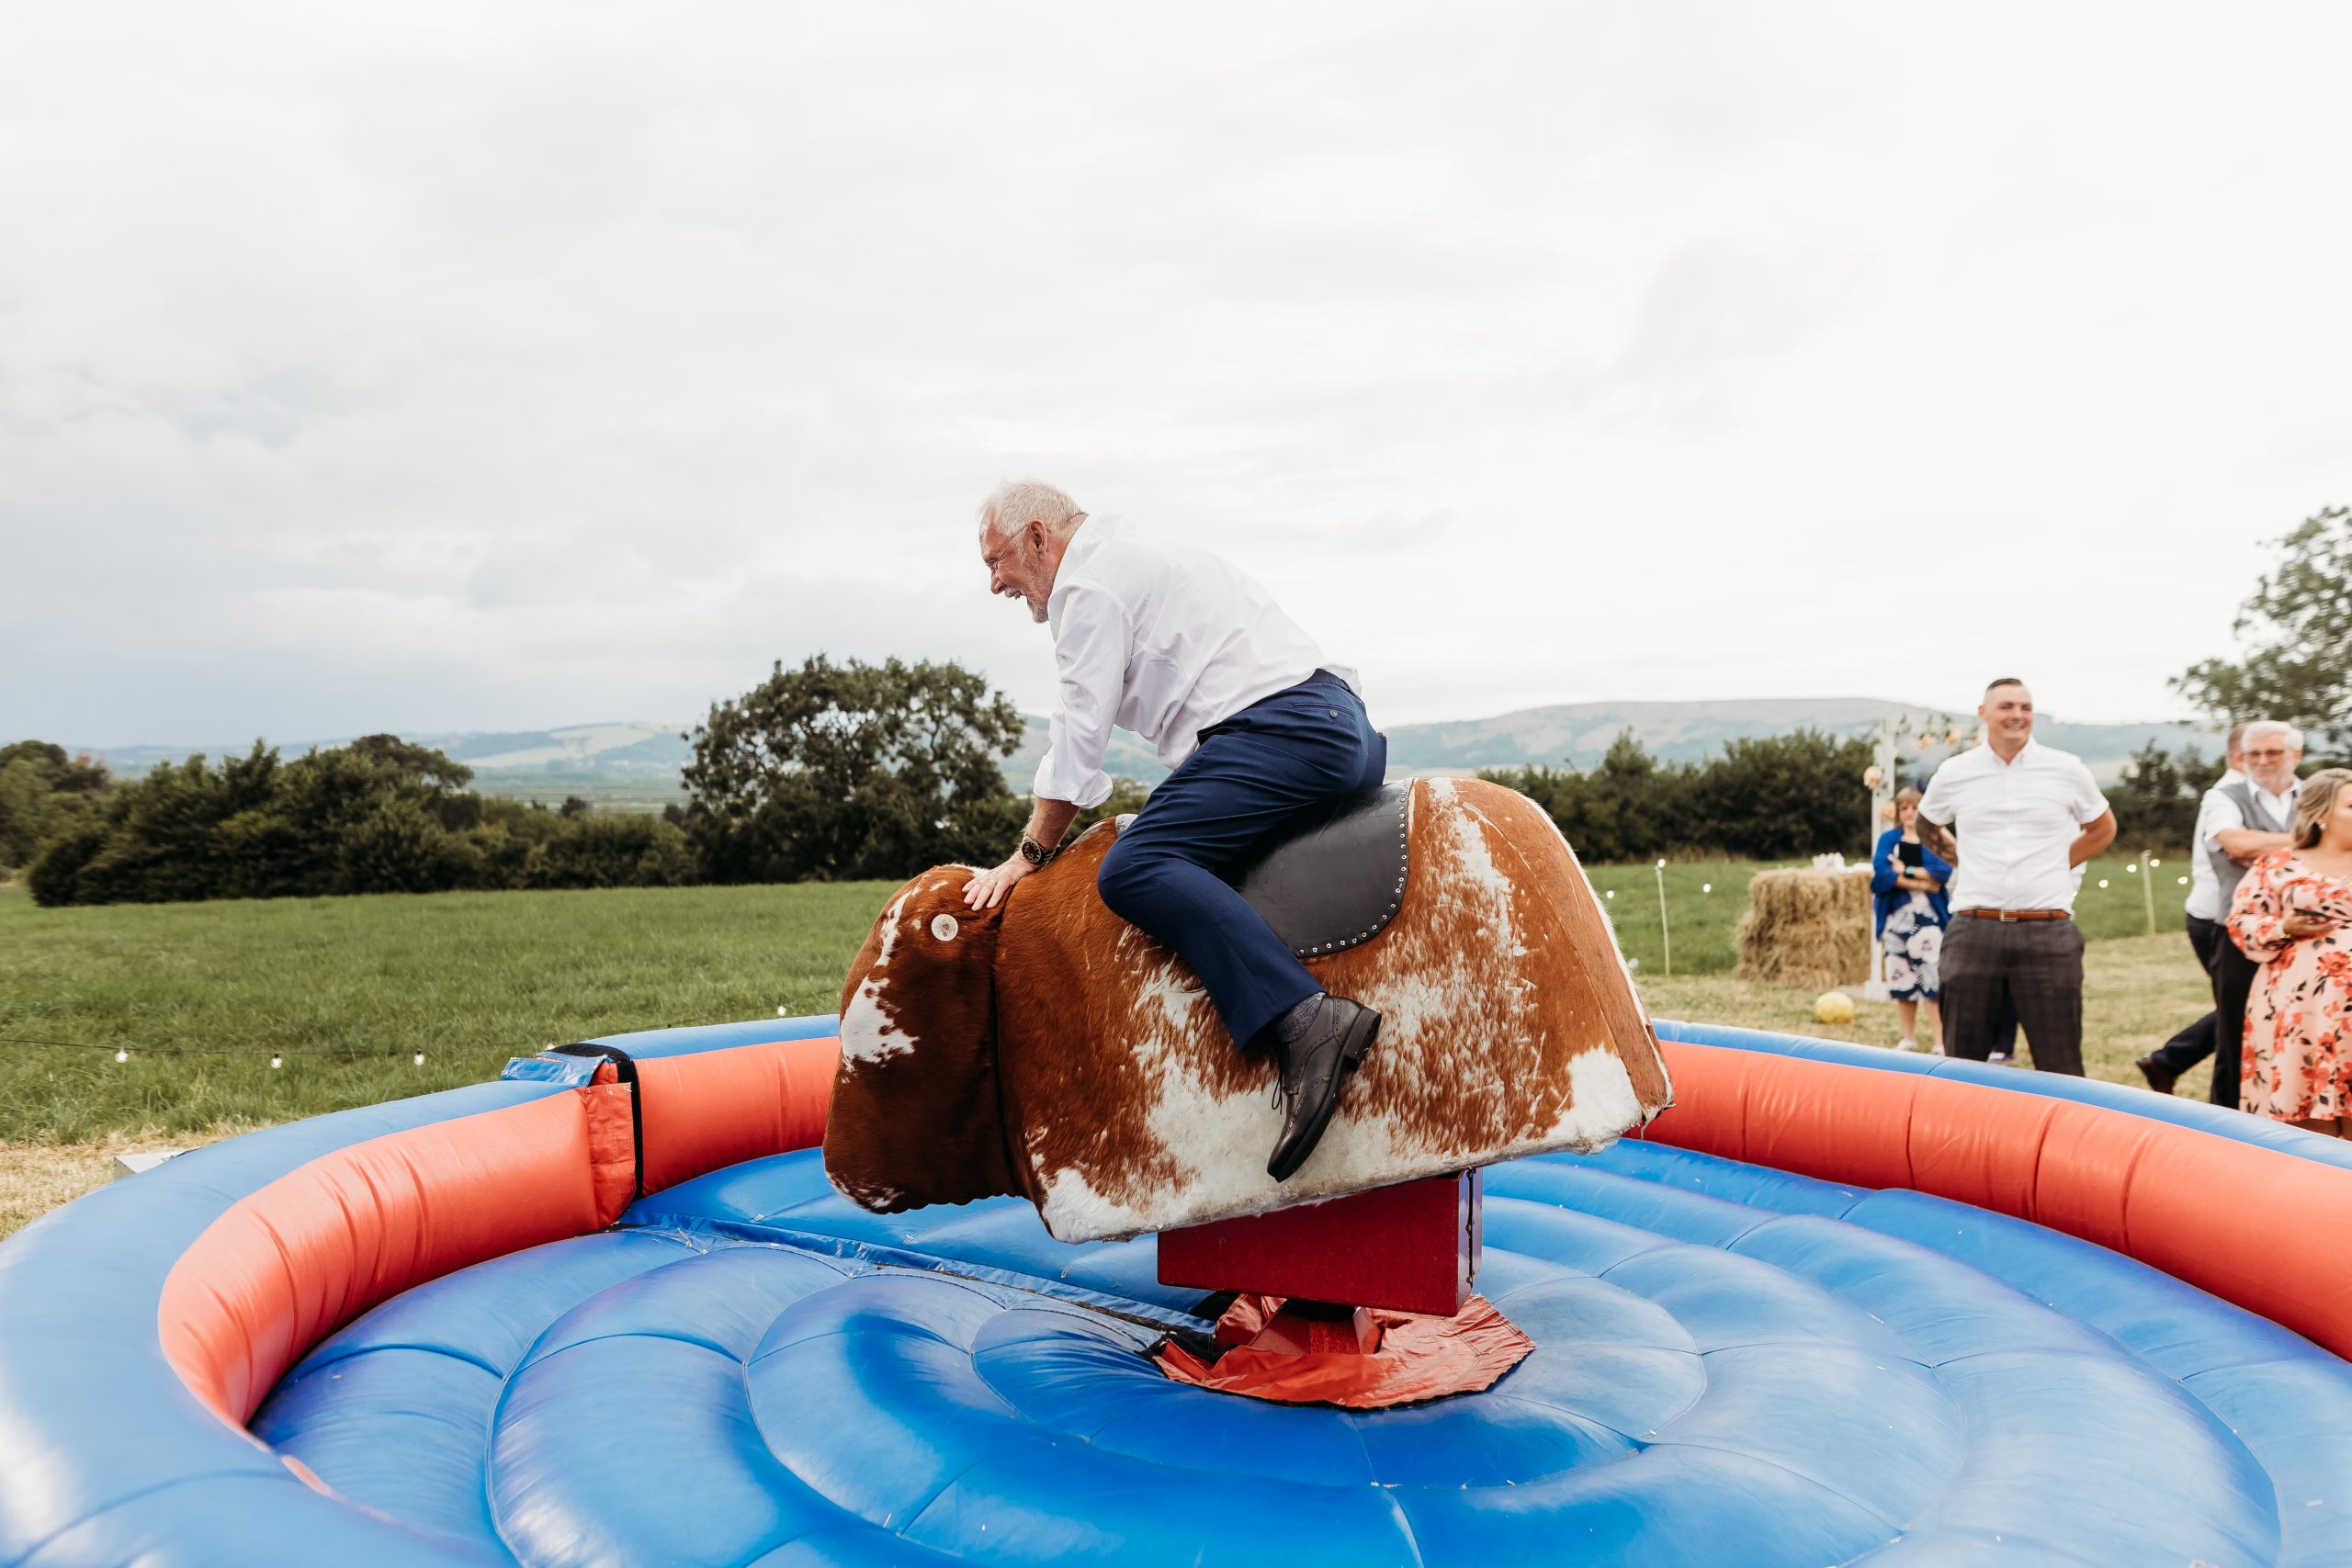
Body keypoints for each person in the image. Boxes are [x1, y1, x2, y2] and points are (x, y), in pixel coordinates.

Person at [961, 481, 1385, 1181]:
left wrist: (1029, 855)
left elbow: (1077, 739)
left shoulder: (1086, 587)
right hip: (1341, 726)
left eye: (997, 560)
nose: (996, 582)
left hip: (1284, 728)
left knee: (1135, 865)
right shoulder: (1136, 552)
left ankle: (1307, 1020)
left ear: (1038, 537)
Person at [1914, 678, 2118, 1073]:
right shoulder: (1956, 771)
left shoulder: (2066, 769)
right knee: (1962, 1064)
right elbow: (1927, 825)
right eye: (2007, 706)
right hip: (1974, 930)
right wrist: (1961, 858)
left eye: (2025, 708)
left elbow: (2103, 828)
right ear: (1983, 713)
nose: (2018, 716)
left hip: (2048, 932)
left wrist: (2058, 865)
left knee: (2061, 1064)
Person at [2180, 721, 2305, 1108]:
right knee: (2235, 1035)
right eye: (2254, 754)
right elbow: (2234, 843)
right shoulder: (2222, 796)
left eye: (2273, 753)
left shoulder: (2317, 795)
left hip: (2306, 936)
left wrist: (2260, 845)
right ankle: (2228, 1127)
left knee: (2301, 1033)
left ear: (2296, 755)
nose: (2262, 761)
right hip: (2240, 934)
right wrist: (2313, 842)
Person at [2229, 768, 2352, 1134]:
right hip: (2299, 1009)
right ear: (2320, 815)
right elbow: (2241, 923)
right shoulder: (2277, 865)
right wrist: (2283, 927)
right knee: (2304, 1112)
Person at [2136, 725, 2248, 1093]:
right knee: (2240, 1008)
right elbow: (2239, 849)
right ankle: (2171, 1062)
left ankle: (2169, 1061)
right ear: (2239, 755)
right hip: (2215, 917)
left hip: (2230, 916)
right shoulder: (2227, 797)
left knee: (2244, 1006)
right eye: (2261, 752)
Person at [1871, 786, 1951, 1052]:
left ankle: (1940, 1040)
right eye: (1903, 808)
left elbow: (1943, 871)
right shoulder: (1889, 840)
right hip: (1897, 919)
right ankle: (1908, 1037)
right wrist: (1922, 883)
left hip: (1929, 920)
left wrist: (1905, 869)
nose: (1908, 813)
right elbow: (1881, 876)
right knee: (1901, 976)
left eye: (1914, 808)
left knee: (1932, 977)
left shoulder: (1932, 839)